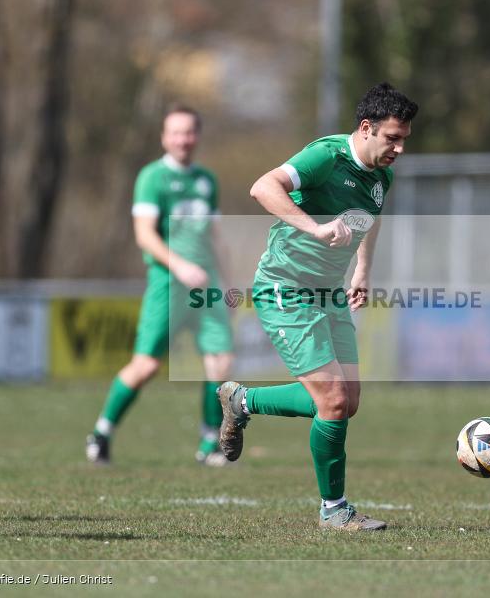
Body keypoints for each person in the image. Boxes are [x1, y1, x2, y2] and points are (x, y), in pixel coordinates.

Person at [216, 82, 418, 530]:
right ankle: (334, 510)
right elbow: (262, 187)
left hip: (330, 294)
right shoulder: (326, 156)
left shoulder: (381, 176)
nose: (399, 148)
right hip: (285, 289)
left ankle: (242, 400)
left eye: (404, 139)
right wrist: (315, 228)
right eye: (392, 138)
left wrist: (363, 269)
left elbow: (370, 219)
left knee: (347, 402)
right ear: (366, 128)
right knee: (332, 399)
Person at [86, 105, 235, 467]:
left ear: (197, 136)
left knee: (220, 361)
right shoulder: (152, 177)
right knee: (146, 366)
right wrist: (180, 266)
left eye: (189, 132)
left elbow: (216, 237)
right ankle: (102, 432)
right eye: (176, 132)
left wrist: (229, 284)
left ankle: (210, 442)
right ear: (164, 137)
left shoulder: (207, 180)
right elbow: (144, 235)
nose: (183, 139)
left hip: (206, 287)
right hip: (168, 284)